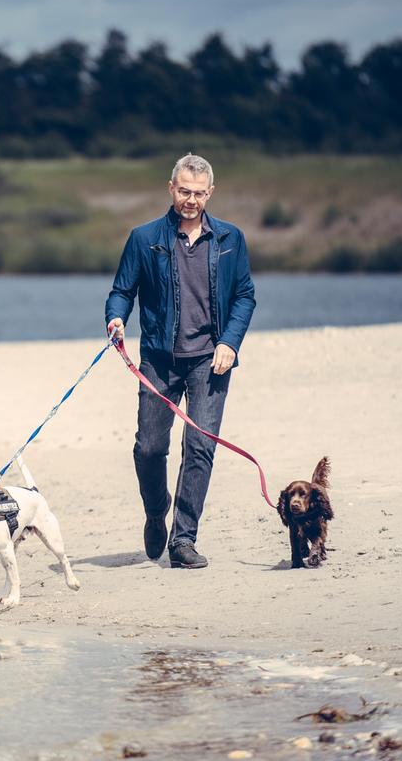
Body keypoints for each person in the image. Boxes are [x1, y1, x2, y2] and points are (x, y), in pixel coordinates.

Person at [105, 154, 255, 569]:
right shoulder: (144, 237)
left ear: (211, 192)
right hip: (157, 359)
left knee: (200, 446)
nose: (191, 200)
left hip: (211, 361)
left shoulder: (230, 239)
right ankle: (156, 513)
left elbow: (244, 295)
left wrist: (230, 341)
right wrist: (116, 318)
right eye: (184, 191)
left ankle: (183, 539)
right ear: (171, 188)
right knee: (150, 448)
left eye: (199, 193)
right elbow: (122, 290)